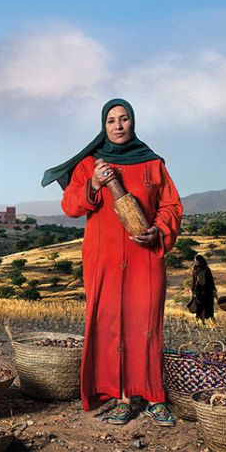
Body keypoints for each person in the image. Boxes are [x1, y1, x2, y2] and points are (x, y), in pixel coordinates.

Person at [41, 98, 183, 427]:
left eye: (124, 119)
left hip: (145, 257)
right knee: (109, 324)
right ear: (103, 126)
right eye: (111, 121)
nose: (118, 126)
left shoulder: (152, 163)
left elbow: (171, 206)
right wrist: (93, 183)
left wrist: (158, 230)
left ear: (133, 122)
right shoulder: (90, 163)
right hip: (102, 259)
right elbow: (70, 206)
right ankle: (120, 396)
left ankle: (153, 396)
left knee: (146, 325)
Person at [191, 254, 217, 326]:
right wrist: (192, 290)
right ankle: (200, 321)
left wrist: (214, 290)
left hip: (207, 291)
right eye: (195, 261)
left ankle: (213, 321)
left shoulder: (206, 269)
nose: (196, 262)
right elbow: (193, 281)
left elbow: (211, 280)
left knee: (209, 306)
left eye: (197, 261)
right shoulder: (195, 269)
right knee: (199, 306)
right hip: (198, 291)